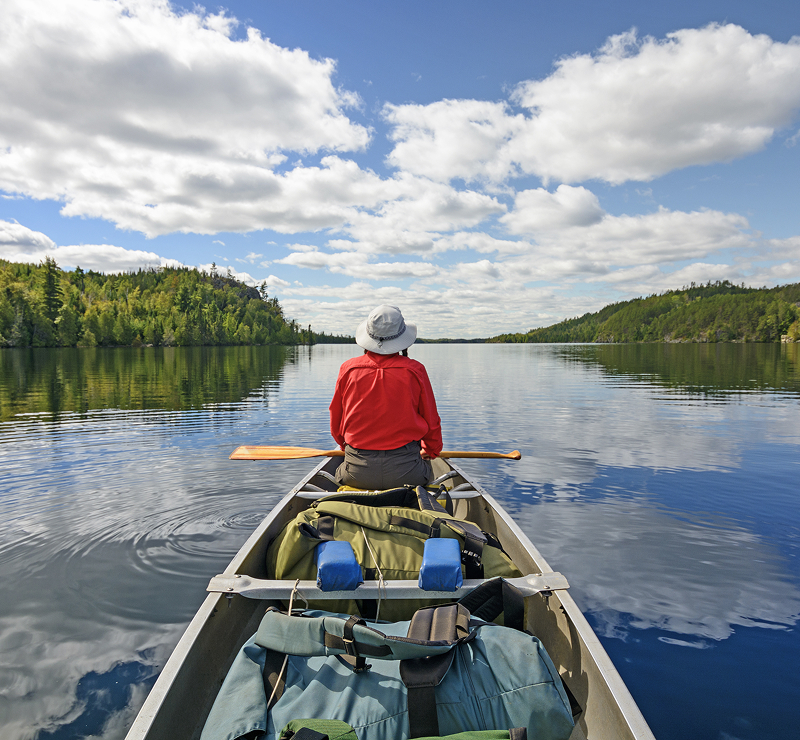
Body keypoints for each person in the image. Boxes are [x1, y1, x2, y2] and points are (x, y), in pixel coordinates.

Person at [329, 304, 442, 490]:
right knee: (428, 469)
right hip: (408, 474)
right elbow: (431, 422)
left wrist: (344, 445)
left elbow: (336, 419)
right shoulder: (415, 370)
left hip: (356, 473)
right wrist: (431, 450)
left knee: (340, 472)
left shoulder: (348, 369)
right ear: (402, 339)